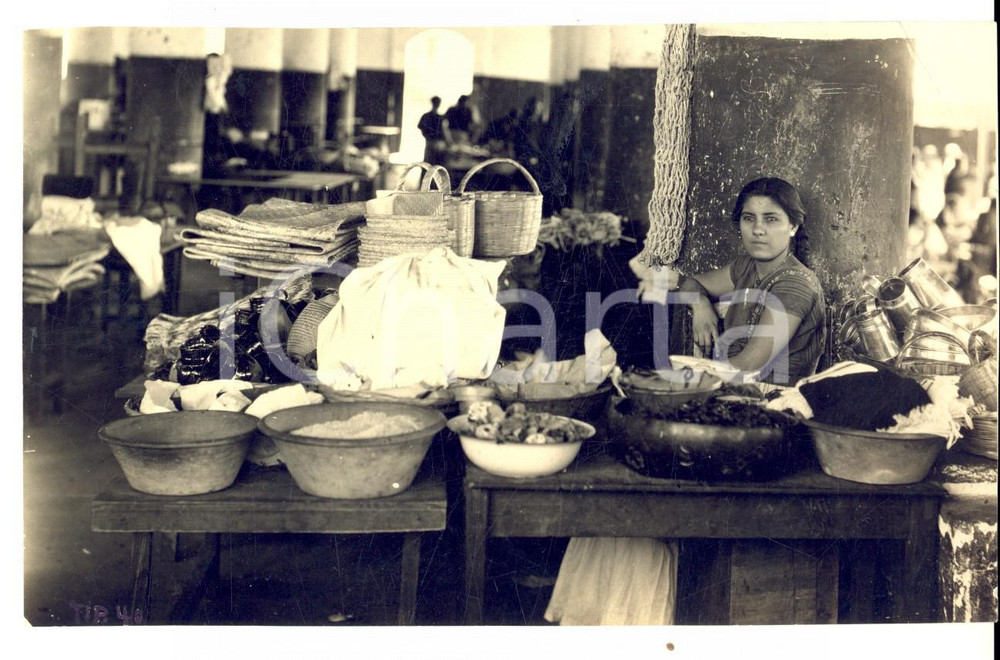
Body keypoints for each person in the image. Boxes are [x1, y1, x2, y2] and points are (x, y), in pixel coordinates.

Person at [677, 177, 826, 385]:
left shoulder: (796, 285)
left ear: (793, 227)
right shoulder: (746, 267)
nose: (758, 229)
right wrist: (700, 305)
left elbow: (748, 366)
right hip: (733, 388)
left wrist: (689, 376)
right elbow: (691, 283)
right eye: (749, 218)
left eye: (771, 219)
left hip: (773, 402)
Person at [417, 96, 446, 165]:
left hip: (432, 142)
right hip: (433, 142)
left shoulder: (427, 116)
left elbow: (420, 126)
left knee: (429, 162)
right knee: (432, 162)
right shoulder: (439, 117)